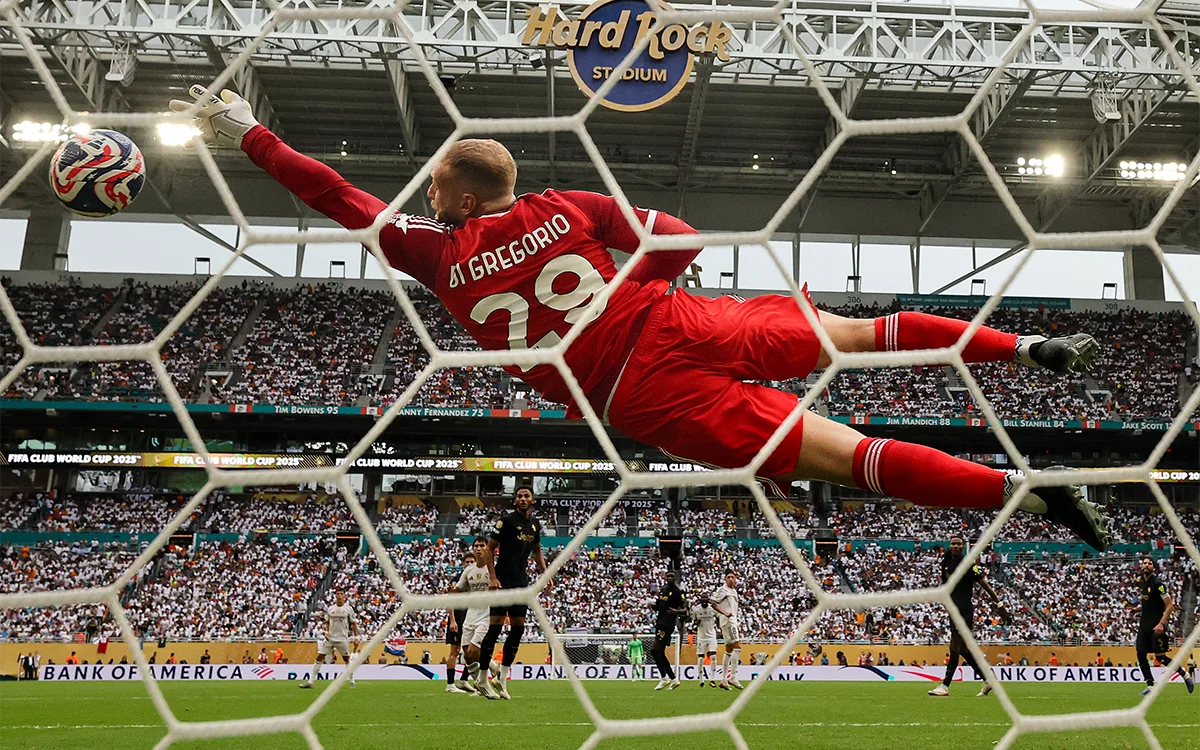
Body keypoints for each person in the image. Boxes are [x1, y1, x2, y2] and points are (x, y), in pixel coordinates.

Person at [170, 86, 1112, 552]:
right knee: (855, 333)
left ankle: (1025, 493)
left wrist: (249, 134)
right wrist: (656, 284)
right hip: (680, 321)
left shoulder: (432, 250)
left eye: (435, 187)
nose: (426, 194)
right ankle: (1025, 346)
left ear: (456, 200)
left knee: (846, 457)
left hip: (633, 392)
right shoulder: (565, 206)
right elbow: (678, 235)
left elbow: (333, 194)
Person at [479, 486, 547, 700]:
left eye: (527, 495)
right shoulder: (506, 522)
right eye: (520, 496)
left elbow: (536, 551)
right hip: (502, 580)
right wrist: (492, 577)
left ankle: (502, 678)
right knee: (495, 628)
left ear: (532, 499)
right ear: (515, 500)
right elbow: (490, 548)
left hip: (521, 582)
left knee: (518, 628)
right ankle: (481, 679)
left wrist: (546, 574)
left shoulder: (535, 525)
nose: (523, 499)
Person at [928, 536, 1008, 698]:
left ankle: (945, 685)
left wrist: (999, 605)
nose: (955, 546)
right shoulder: (945, 562)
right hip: (953, 609)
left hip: (964, 610)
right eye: (953, 543)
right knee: (963, 649)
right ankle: (988, 679)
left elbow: (985, 585)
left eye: (958, 544)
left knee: (954, 646)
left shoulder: (969, 564)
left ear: (963, 546)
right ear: (950, 546)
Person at [1132, 558, 1194, 696]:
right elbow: (1150, 603)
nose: (1146, 565)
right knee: (1140, 655)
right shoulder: (1143, 583)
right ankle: (1150, 686)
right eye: (1144, 563)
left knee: (1161, 658)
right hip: (1144, 626)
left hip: (1156, 626)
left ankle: (1185, 675)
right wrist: (1138, 608)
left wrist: (1161, 624)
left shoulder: (1158, 584)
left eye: (1149, 563)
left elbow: (1170, 605)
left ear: (1153, 567)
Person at [452, 539, 499, 698]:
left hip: (486, 614)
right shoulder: (468, 571)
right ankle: (483, 683)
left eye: (482, 546)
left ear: (487, 548)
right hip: (471, 614)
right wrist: (450, 591)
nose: (478, 549)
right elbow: (458, 589)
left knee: (473, 650)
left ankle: (487, 672)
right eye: (476, 546)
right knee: (467, 655)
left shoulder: (493, 569)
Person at [300, 590, 358, 690]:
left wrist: (356, 638)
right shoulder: (331, 608)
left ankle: (352, 680)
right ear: (335, 596)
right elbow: (327, 621)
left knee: (346, 659)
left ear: (344, 596)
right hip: (330, 638)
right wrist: (326, 631)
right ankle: (310, 681)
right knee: (320, 657)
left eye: (341, 594)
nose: (339, 596)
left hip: (342, 638)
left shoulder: (348, 609)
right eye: (338, 594)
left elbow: (354, 623)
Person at [443, 545, 475, 695]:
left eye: (471, 562)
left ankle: (463, 680)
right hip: (458, 618)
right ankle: (450, 684)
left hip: (471, 618)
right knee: (454, 651)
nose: (469, 565)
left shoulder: (476, 580)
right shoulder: (457, 580)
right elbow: (450, 600)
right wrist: (452, 620)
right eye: (466, 562)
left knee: (471, 652)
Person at [651, 571, 686, 691]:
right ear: (665, 577)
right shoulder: (662, 590)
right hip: (660, 623)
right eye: (668, 576)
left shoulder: (678, 592)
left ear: (675, 578)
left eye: (672, 576)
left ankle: (664, 677)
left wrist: (676, 612)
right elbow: (658, 606)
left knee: (654, 650)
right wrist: (653, 606)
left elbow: (685, 610)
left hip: (667, 624)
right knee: (659, 652)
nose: (670, 578)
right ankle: (672, 678)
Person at [711, 571, 743, 690]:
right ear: (725, 579)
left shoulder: (733, 591)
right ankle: (733, 676)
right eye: (728, 577)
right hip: (728, 620)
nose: (731, 579)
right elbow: (713, 603)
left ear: (736, 579)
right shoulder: (722, 590)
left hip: (730, 620)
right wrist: (724, 613)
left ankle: (724, 679)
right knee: (737, 647)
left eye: (732, 577)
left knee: (729, 650)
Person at [691, 600, 718, 686]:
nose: (704, 600)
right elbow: (694, 622)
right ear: (700, 600)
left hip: (711, 636)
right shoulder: (696, 609)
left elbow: (718, 617)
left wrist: (719, 627)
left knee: (713, 656)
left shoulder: (712, 609)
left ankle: (712, 679)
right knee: (701, 658)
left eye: (706, 598)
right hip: (701, 637)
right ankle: (701, 680)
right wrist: (696, 623)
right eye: (703, 598)